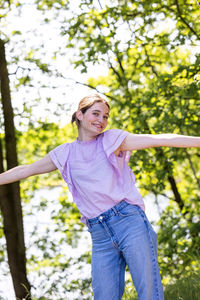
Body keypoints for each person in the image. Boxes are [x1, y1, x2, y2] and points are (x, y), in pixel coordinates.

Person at [0, 94, 200, 300]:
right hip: (99, 234)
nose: (101, 121)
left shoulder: (112, 140)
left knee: (149, 293)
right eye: (96, 114)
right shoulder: (65, 153)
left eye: (105, 116)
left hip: (129, 222)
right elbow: (25, 170)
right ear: (80, 114)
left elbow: (158, 139)